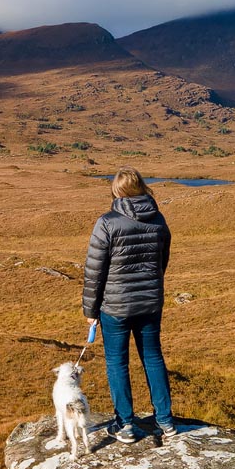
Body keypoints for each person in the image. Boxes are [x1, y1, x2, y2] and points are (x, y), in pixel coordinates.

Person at [82, 166, 176, 443]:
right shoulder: (158, 219)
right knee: (153, 358)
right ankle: (166, 421)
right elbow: (163, 261)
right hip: (149, 303)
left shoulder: (107, 222)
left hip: (115, 307)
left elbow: (94, 270)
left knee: (117, 362)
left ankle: (125, 425)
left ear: (117, 190)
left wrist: (90, 310)